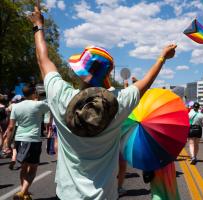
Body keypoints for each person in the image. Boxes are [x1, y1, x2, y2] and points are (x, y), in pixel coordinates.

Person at [29, 5, 177, 200]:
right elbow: (144, 84)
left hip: (68, 194)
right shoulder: (116, 104)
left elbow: (43, 59)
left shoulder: (61, 96)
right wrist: (161, 58)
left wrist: (39, 26)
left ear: (80, 71)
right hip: (104, 195)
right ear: (107, 75)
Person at [3, 85, 49, 199]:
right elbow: (51, 107)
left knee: (24, 167)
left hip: (19, 139)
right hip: (33, 140)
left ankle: (25, 193)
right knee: (33, 168)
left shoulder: (16, 107)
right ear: (34, 93)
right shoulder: (38, 104)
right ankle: (22, 192)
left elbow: (10, 127)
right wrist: (38, 99)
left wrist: (7, 144)